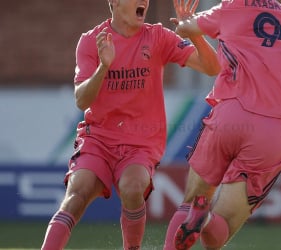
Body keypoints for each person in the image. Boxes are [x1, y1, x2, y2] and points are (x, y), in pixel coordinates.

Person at [40, 0, 220, 249]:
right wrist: (104, 66)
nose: (144, 1)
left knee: (133, 187)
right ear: (114, 2)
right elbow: (82, 100)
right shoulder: (93, 40)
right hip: (98, 139)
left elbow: (212, 67)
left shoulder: (158, 37)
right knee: (76, 195)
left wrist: (195, 34)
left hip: (141, 143)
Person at [164, 0, 281, 249]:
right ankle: (207, 219)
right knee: (219, 232)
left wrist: (186, 24)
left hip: (229, 116)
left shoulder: (230, 7)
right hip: (274, 132)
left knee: (190, 202)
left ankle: (196, 215)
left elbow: (187, 29)